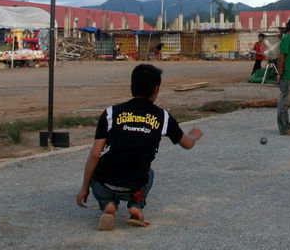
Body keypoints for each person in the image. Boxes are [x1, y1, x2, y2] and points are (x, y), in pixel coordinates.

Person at [76, 63, 203, 230]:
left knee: (97, 169)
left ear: (131, 87)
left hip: (104, 185)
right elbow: (186, 144)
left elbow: (94, 155)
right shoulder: (162, 117)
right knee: (149, 173)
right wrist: (194, 135)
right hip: (134, 187)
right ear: (156, 89)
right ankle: (136, 206)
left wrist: (84, 189)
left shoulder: (111, 113)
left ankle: (108, 205)